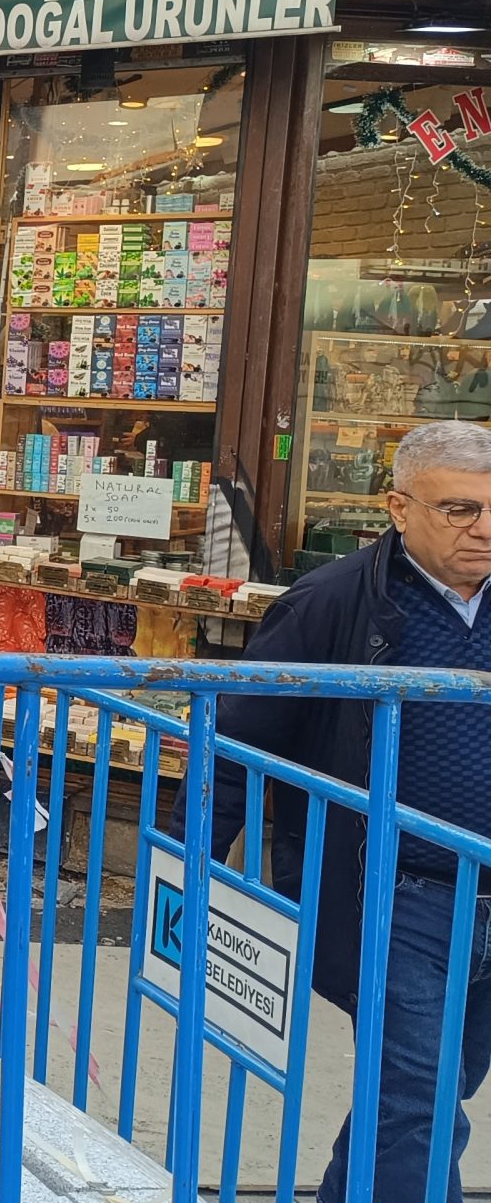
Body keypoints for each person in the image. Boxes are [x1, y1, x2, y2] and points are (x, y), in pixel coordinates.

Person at [193, 420, 491, 1203]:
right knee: (420, 1101)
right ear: (398, 507)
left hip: (487, 893)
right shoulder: (330, 602)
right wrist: (192, 859)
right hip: (397, 891)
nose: (484, 530)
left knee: (429, 1092)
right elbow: (242, 733)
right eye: (460, 510)